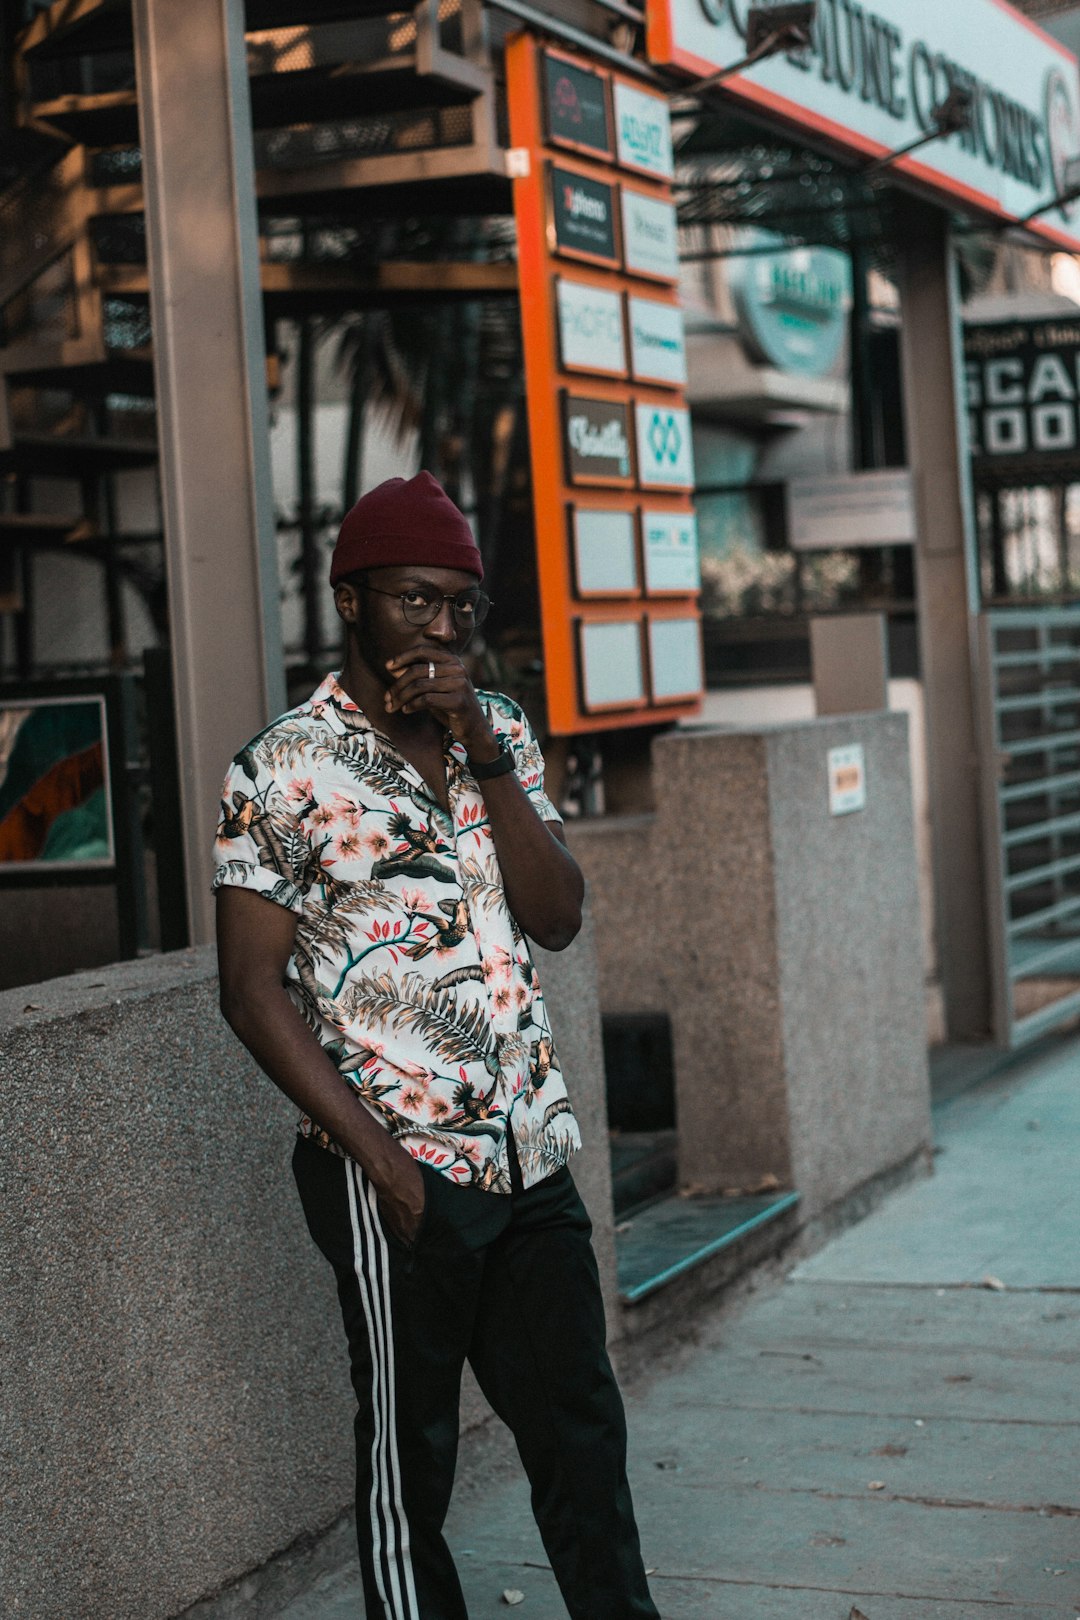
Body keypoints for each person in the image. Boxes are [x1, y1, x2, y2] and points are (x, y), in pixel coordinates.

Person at [213, 471, 659, 1620]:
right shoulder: (282, 768)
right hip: (398, 1172)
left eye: (464, 604)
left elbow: (558, 916)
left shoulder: (495, 731)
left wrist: (487, 753)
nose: (445, 627)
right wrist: (382, 1165)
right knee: (410, 1463)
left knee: (582, 1434)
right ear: (352, 600)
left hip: (530, 1156)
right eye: (417, 600)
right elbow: (251, 992)